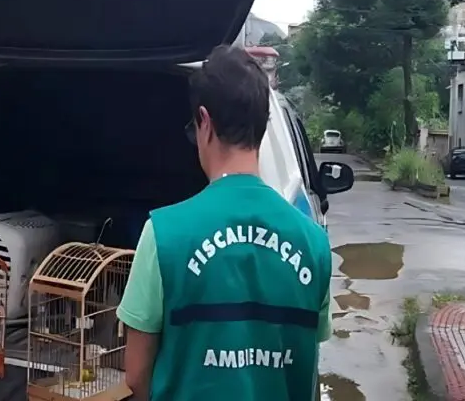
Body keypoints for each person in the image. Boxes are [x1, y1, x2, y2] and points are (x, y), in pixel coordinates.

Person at [117, 45, 332, 400]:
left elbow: (138, 376)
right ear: (263, 124)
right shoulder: (314, 242)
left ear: (204, 122)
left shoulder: (163, 234)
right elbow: (307, 367)